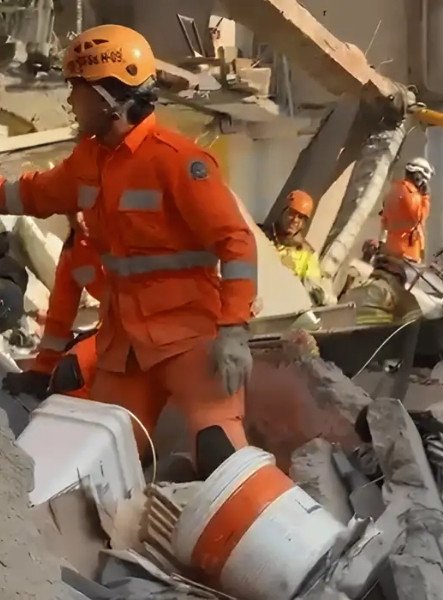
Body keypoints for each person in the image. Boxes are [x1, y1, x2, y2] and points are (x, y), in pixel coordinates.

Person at [0, 25, 257, 478]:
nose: (72, 102)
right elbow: (31, 195)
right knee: (99, 466)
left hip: (189, 340)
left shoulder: (177, 160)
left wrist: (233, 329)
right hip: (125, 348)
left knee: (220, 455)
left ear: (107, 94)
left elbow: (235, 241)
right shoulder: (88, 160)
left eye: (76, 90)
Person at [3, 213, 105, 398]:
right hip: (120, 335)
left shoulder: (144, 237)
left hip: (163, 343)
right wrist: (42, 370)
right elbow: (59, 319)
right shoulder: (77, 251)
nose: (81, 216)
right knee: (70, 376)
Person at [264, 190, 325, 304]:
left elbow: (312, 290)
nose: (295, 220)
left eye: (301, 217)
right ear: (283, 211)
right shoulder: (262, 235)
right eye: (292, 213)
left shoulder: (308, 255)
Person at [339, 254, 423, 326]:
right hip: (372, 337)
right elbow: (415, 317)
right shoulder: (391, 291)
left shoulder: (358, 283)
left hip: (340, 332)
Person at [381, 158, 433, 262]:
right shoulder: (411, 194)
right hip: (406, 252)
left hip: (392, 247)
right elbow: (420, 217)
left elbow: (384, 221)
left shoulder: (395, 189)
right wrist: (425, 197)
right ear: (418, 176)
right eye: (424, 180)